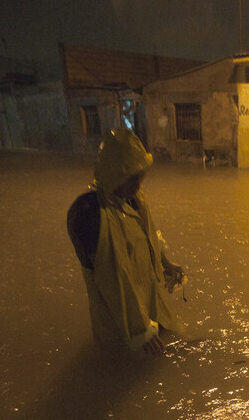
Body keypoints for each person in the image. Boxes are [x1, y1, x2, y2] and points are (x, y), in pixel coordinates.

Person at [67, 127, 185, 357]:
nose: (138, 185)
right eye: (132, 178)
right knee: (132, 367)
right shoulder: (90, 214)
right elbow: (112, 278)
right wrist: (139, 330)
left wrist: (166, 263)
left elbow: (147, 236)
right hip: (122, 329)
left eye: (140, 177)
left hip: (149, 308)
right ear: (114, 174)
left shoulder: (133, 198)